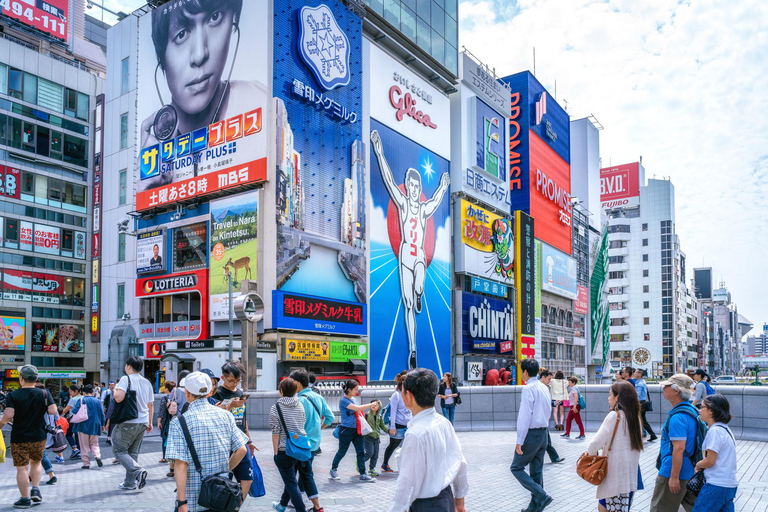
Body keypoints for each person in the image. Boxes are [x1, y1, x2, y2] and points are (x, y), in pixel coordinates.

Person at [140, 0, 267, 192]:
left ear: (233, 21)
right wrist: (146, 192)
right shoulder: (152, 144)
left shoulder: (261, 104)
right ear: (162, 56)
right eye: (181, 34)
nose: (200, 54)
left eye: (214, 18)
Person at [370, 129, 450, 369]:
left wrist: (444, 187)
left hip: (419, 255)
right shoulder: (403, 204)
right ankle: (413, 350)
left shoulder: (423, 209)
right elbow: (387, 179)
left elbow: (436, 202)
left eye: (417, 186)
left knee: (418, 282)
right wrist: (379, 150)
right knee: (407, 307)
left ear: (419, 187)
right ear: (409, 187)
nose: (413, 189)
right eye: (411, 185)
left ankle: (419, 293)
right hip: (405, 254)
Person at [166, 371, 248, 512]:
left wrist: (181, 502)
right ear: (210, 392)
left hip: (193, 499)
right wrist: (224, 470)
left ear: (187, 394)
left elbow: (180, 464)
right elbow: (242, 449)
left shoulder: (179, 423)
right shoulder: (226, 416)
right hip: (220, 496)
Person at [389, 369, 468, 512]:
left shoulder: (415, 434)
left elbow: (407, 483)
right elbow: (460, 462)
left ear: (409, 396)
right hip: (446, 497)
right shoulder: (444, 423)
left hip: (425, 504)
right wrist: (460, 500)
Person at [0, 365, 57, 508]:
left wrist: (0, 425)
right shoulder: (44, 394)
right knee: (36, 463)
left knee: (21, 468)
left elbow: (9, 415)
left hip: (19, 437)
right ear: (36, 378)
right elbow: (53, 411)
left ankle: (25, 499)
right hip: (39, 435)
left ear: (21, 379)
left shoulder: (13, 395)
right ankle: (36, 489)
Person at [586, 381, 644, 512]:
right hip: (630, 474)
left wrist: (592, 459)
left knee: (604, 508)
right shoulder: (636, 418)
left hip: (614, 474)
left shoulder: (614, 416)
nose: (608, 398)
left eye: (610, 394)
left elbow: (594, 444)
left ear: (617, 397)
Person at [651, 374, 700, 512]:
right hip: (689, 471)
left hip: (673, 472)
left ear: (676, 390)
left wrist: (673, 477)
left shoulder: (678, 417)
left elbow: (678, 449)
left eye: (666, 385)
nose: (663, 387)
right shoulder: (692, 411)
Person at [285, 369, 332, 512]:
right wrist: (319, 429)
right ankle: (292, 500)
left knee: (302, 474)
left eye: (292, 382)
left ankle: (315, 506)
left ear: (298, 384)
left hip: (300, 445)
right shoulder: (318, 397)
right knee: (302, 471)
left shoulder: (298, 401)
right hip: (314, 444)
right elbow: (329, 418)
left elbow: (292, 426)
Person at [510, 358, 553, 512]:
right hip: (543, 433)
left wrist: (519, 440)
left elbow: (524, 417)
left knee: (516, 467)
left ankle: (541, 495)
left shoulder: (528, 389)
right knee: (536, 471)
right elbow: (548, 411)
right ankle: (534, 507)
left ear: (525, 372)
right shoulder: (544, 388)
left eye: (521, 370)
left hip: (532, 434)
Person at [213, 362, 258, 498]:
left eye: (238, 381)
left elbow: (244, 419)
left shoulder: (239, 393)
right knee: (222, 480)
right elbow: (215, 417)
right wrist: (231, 405)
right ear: (223, 378)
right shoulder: (217, 394)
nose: (235, 384)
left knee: (247, 479)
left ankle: (235, 507)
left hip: (241, 442)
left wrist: (249, 440)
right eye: (232, 381)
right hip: (224, 443)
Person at [112, 356, 155, 491]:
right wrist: (149, 422)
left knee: (119, 451)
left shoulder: (126, 379)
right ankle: (130, 483)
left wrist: (114, 390)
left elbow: (118, 398)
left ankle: (138, 471)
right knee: (133, 452)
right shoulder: (146, 382)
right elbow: (151, 404)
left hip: (129, 421)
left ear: (129, 366)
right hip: (143, 421)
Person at [270, 378, 312, 512]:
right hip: (300, 449)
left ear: (281, 391)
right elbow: (302, 424)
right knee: (291, 479)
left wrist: (276, 452)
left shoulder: (276, 407)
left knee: (291, 483)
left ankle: (301, 509)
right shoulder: (300, 405)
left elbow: (275, 432)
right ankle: (282, 505)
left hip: (284, 450)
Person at [692, 394, 738, 512]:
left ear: (711, 411)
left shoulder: (715, 431)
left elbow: (710, 461)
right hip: (729, 485)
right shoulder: (725, 429)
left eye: (702, 407)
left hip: (715, 485)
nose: (699, 410)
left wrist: (698, 465)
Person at [330, 379, 376, 482]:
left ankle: (363, 474)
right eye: (355, 389)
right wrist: (370, 404)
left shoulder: (353, 399)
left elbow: (358, 410)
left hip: (357, 429)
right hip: (346, 430)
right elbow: (357, 408)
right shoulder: (343, 400)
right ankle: (333, 469)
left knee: (360, 452)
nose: (357, 391)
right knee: (342, 451)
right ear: (349, 390)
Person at [381, 371, 412, 473]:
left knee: (408, 446)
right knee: (393, 445)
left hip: (409, 425)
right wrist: (392, 427)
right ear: (401, 383)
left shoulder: (410, 394)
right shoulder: (396, 395)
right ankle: (385, 464)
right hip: (398, 426)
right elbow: (393, 412)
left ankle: (406, 466)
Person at [71, 384, 106, 469]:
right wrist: (103, 424)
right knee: (94, 443)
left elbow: (74, 411)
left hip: (83, 425)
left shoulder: (81, 400)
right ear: (92, 392)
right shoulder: (97, 401)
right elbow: (102, 413)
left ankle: (86, 463)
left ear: (83, 392)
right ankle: (97, 456)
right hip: (95, 424)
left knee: (84, 445)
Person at [538, 370, 565, 464]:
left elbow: (545, 402)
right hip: (538, 420)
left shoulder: (545, 387)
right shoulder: (537, 388)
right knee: (543, 442)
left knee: (547, 441)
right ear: (543, 377)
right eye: (549, 379)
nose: (550, 381)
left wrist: (553, 403)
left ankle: (555, 458)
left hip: (543, 420)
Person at [363, 399, 387, 477]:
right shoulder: (366, 415)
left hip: (376, 437)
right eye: (372, 404)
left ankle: (372, 469)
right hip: (368, 437)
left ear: (379, 407)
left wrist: (389, 431)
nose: (373, 406)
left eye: (376, 405)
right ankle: (360, 462)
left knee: (375, 455)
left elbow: (383, 426)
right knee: (370, 453)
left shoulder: (379, 417)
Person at [634, 369, 657, 441]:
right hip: (642, 403)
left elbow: (637, 394)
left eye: (635, 372)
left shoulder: (640, 384)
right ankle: (652, 435)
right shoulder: (641, 382)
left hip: (640, 403)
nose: (634, 373)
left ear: (639, 374)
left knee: (641, 420)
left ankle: (650, 434)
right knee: (642, 420)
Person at [158, 381, 177, 466]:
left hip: (166, 421)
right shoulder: (177, 397)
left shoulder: (165, 398)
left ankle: (165, 457)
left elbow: (161, 411)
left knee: (165, 438)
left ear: (166, 389)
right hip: (176, 420)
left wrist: (159, 421)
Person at [61, 384, 82, 459]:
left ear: (76, 391)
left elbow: (65, 410)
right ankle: (78, 451)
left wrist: (58, 414)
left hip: (73, 420)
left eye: (71, 391)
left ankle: (75, 449)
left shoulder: (73, 399)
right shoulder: (84, 398)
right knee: (78, 436)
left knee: (68, 434)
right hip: (82, 420)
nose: (70, 393)